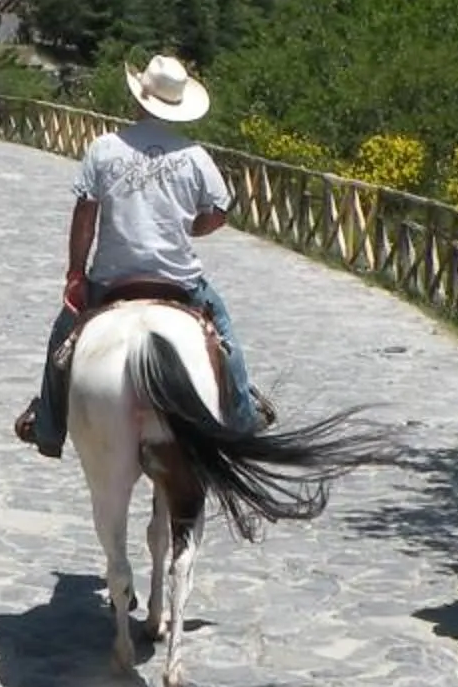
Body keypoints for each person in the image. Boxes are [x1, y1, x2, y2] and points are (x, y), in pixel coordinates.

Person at [13, 52, 268, 459]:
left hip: (113, 280)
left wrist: (76, 273)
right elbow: (219, 213)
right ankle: (242, 416)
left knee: (62, 337)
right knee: (224, 337)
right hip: (178, 281)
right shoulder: (195, 156)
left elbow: (85, 216)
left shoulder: (104, 148)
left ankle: (48, 424)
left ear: (139, 98)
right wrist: (188, 228)